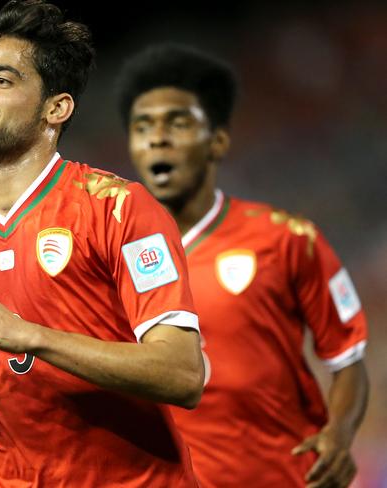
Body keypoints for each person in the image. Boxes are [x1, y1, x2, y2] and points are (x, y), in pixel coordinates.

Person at [0, 2, 205, 486]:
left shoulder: (119, 209)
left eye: (1, 81)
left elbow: (182, 373)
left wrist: (30, 335)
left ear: (56, 108)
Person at [115, 42, 370, 488]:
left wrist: (340, 434)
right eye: (143, 127)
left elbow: (348, 359)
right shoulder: (108, 257)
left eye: (177, 123)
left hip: (283, 477)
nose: (157, 137)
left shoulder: (286, 239)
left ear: (217, 141)